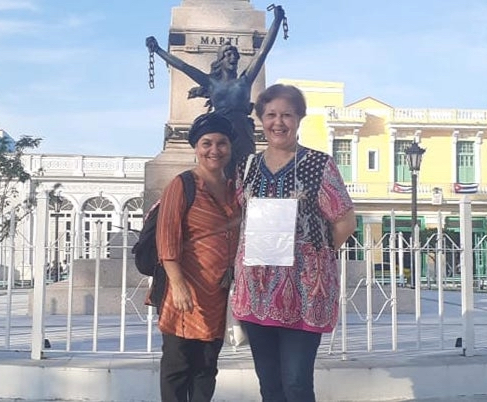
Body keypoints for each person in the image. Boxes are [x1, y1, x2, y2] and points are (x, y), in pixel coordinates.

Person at [231, 84, 356, 402]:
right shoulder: (248, 167)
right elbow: (235, 219)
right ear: (260, 119)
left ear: (299, 118)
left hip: (304, 295)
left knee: (297, 384)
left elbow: (344, 221)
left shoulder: (319, 165)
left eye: (287, 114)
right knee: (270, 386)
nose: (278, 122)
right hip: (257, 293)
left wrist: (314, 258)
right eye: (271, 114)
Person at [156, 112, 242, 402]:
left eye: (222, 143)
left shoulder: (234, 188)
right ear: (196, 147)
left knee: (207, 366)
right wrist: (177, 284)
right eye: (207, 143)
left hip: (218, 292)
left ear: (230, 148)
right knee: (178, 366)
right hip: (185, 291)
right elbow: (166, 237)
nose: (214, 150)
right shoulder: (182, 185)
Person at [145, 5, 286, 173]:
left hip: (242, 131)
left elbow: (263, 51)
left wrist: (276, 21)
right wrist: (158, 50)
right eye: (228, 55)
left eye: (235, 54)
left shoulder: (245, 80)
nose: (233, 57)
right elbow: (183, 66)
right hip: (221, 130)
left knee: (245, 171)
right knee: (220, 172)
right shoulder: (211, 83)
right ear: (221, 60)